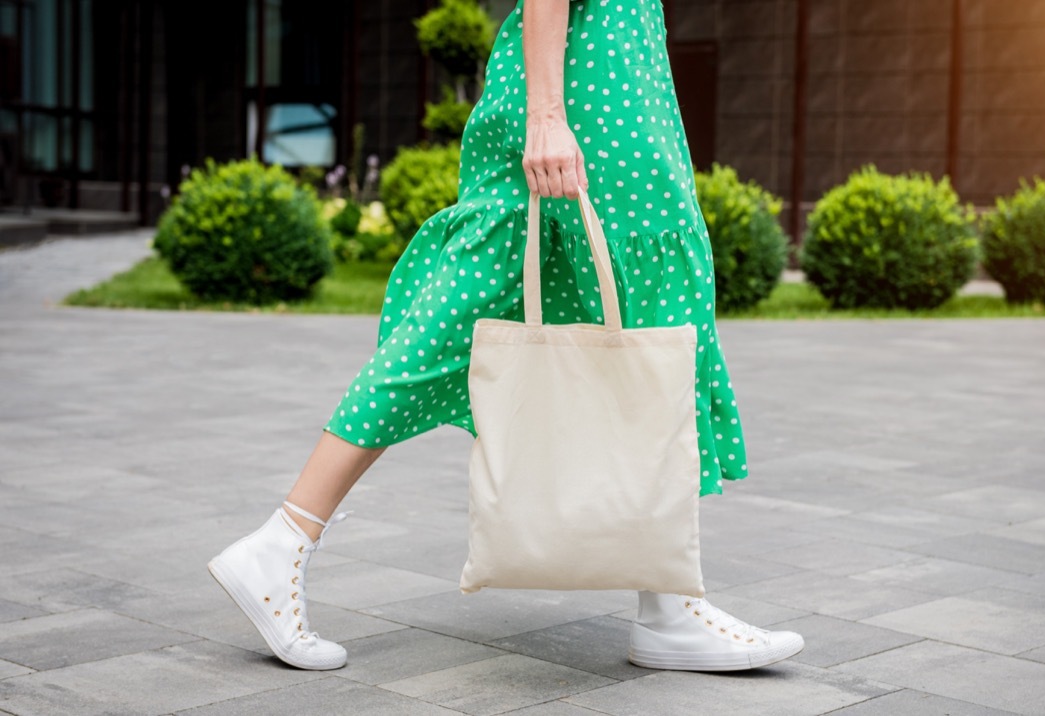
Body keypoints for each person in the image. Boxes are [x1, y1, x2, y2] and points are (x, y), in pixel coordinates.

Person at [207, 0, 806, 673]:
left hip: (598, 83)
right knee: (646, 329)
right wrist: (549, 116)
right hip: (590, 92)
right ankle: (669, 612)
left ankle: (284, 540)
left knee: (488, 315)